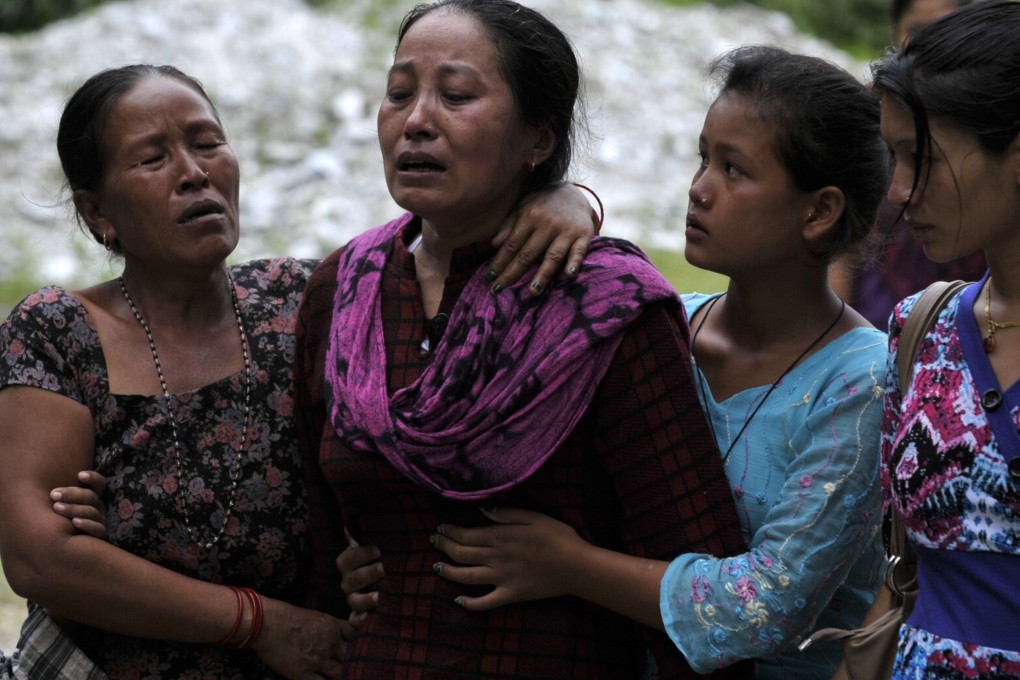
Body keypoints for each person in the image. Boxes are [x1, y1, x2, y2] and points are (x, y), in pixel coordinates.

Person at [0, 63, 595, 679]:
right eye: (153, 159)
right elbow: (40, 560)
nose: (195, 173)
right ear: (98, 211)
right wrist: (257, 622)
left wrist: (564, 198)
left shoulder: (305, 298)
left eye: (208, 143)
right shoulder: (59, 334)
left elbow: (445, 259)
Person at [341, 45, 892, 679]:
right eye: (702, 159)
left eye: (734, 170)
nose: (699, 189)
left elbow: (766, 606)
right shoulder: (659, 325)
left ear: (818, 212)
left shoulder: (860, 382)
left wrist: (570, 565)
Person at [294, 0, 751, 677]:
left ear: (539, 138)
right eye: (398, 94)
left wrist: (575, 568)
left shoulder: (602, 306)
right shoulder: (346, 288)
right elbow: (318, 527)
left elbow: (699, 577)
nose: (416, 120)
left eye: (455, 96)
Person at [865, 1, 1020, 676]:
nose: (898, 191)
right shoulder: (920, 328)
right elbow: (900, 572)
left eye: (921, 159)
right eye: (893, 158)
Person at [828, 0, 985, 331]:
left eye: (925, 159)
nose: (901, 191)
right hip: (877, 320)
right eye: (919, 33)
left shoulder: (986, 125)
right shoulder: (872, 116)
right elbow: (843, 244)